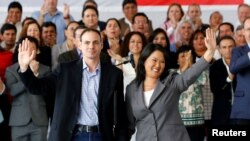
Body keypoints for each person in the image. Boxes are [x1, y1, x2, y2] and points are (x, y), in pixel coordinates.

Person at [18, 28, 128, 141]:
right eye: (87, 42)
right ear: (79, 45)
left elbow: (120, 110)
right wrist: (24, 67)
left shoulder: (114, 74)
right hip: (71, 135)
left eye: (95, 42)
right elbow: (38, 87)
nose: (91, 46)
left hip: (101, 135)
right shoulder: (64, 70)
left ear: (101, 45)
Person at [125, 28, 216, 141]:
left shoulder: (172, 82)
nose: (158, 65)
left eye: (162, 62)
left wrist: (210, 52)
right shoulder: (131, 89)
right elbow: (128, 126)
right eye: (154, 60)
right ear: (144, 61)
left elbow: (191, 74)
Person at [6, 36, 50, 141]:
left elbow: (47, 92)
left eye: (32, 48)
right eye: (26, 48)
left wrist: (36, 74)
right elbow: (12, 91)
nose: (29, 51)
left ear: (37, 50)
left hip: (40, 119)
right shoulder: (11, 70)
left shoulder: (46, 69)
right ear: (19, 50)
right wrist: (28, 74)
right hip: (19, 119)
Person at [210, 36, 236, 126]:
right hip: (221, 113)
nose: (228, 50)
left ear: (235, 48)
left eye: (230, 47)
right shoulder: (215, 66)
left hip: (241, 112)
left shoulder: (242, 64)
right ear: (219, 50)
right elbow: (215, 89)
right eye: (224, 47)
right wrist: (229, 79)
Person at [230, 17, 250, 126]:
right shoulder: (238, 51)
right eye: (249, 29)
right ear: (244, 32)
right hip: (244, 110)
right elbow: (233, 68)